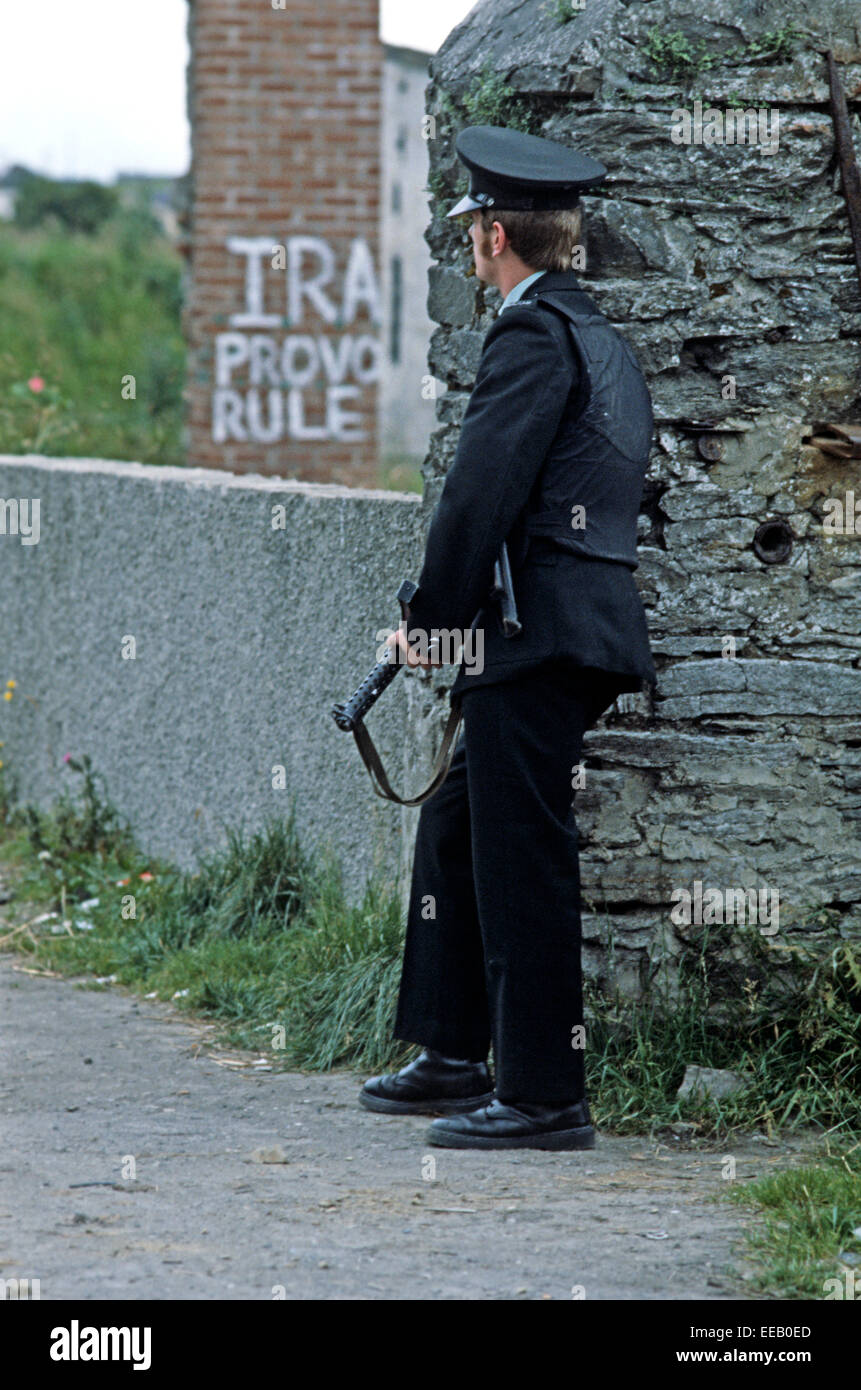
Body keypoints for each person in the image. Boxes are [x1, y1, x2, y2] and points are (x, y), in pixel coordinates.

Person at [359, 124, 656, 1150]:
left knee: (522, 853)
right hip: (561, 626)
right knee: (456, 823)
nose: (471, 248)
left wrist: (430, 623)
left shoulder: (531, 335)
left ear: (493, 237)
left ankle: (542, 1095)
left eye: (473, 231)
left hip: (538, 636)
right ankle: (452, 1049)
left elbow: (478, 493)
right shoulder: (599, 336)